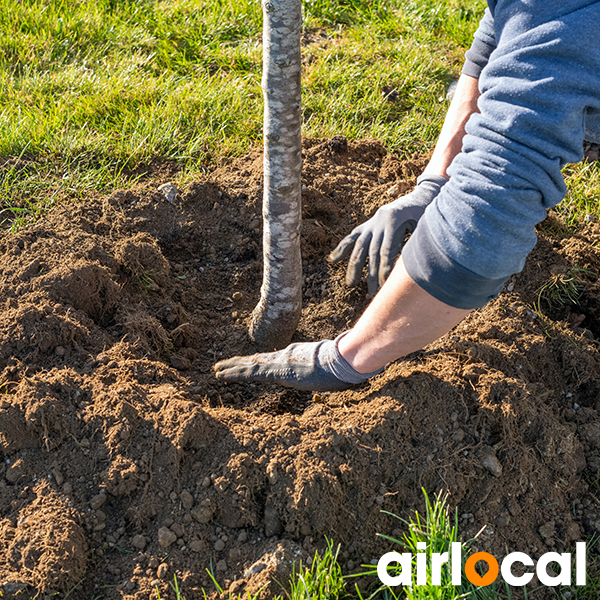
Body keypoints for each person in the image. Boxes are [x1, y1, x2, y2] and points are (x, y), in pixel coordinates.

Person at [214, 0, 600, 391]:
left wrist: (348, 358)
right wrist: (435, 184)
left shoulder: (569, 25)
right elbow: (502, 34)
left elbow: (495, 203)